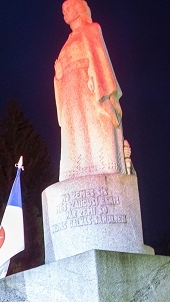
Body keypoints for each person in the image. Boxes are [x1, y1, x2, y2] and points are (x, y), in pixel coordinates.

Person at [53, 0, 125, 181]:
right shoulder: (67, 41)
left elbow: (101, 62)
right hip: (70, 92)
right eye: (63, 10)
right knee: (76, 130)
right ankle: (77, 170)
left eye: (68, 8)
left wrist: (103, 90)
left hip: (88, 86)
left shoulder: (92, 29)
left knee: (92, 127)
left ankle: (102, 166)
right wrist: (59, 78)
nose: (65, 12)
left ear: (78, 8)